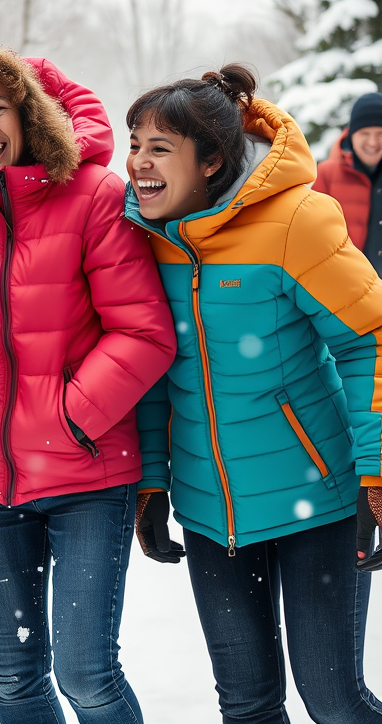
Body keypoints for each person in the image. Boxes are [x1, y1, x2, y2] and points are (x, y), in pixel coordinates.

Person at [0, 40, 176, 724]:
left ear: (31, 115)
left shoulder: (94, 196)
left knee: (86, 676)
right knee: (14, 679)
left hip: (88, 476)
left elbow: (143, 333)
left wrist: (69, 419)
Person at [125, 63, 382, 722]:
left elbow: (370, 338)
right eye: (135, 144)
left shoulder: (297, 219)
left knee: (333, 699)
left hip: (319, 505)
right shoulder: (146, 242)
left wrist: (375, 474)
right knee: (246, 705)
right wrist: (153, 483)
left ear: (211, 161)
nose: (138, 163)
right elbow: (152, 372)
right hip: (212, 517)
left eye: (159, 147)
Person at [313, 91, 382, 272]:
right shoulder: (327, 174)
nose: (373, 142)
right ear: (351, 135)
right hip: (345, 285)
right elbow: (312, 232)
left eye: (380, 133)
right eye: (365, 133)